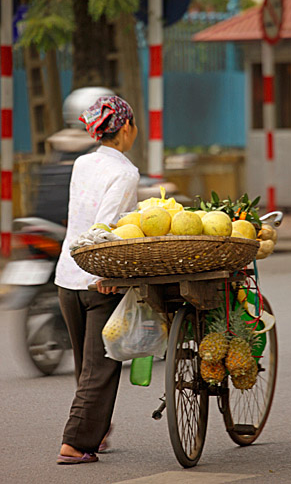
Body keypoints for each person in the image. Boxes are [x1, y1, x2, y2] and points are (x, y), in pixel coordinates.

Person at [55, 96, 139, 464]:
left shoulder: (82, 163)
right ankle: (76, 443)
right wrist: (106, 273)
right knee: (101, 366)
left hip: (66, 275)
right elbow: (104, 226)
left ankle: (97, 430)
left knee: (86, 366)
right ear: (124, 128)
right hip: (97, 279)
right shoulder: (125, 172)